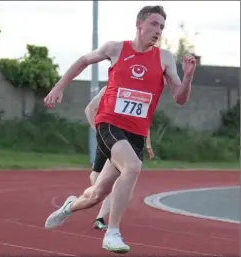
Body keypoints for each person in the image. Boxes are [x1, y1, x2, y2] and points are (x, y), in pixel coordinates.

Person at [43, 5, 196, 253]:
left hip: (136, 132)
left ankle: (68, 207)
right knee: (133, 167)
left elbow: (180, 98)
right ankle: (112, 232)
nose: (158, 31)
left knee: (97, 195)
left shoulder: (165, 58)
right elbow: (83, 60)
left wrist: (188, 77)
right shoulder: (116, 48)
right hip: (109, 122)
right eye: (154, 24)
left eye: (162, 27)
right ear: (140, 24)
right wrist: (59, 87)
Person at [85, 86, 155, 231]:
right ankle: (88, 202)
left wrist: (148, 145)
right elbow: (89, 109)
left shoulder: (141, 93)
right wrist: (99, 132)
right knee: (96, 181)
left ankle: (101, 217)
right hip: (108, 136)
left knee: (120, 181)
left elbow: (144, 122)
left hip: (127, 143)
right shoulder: (109, 88)